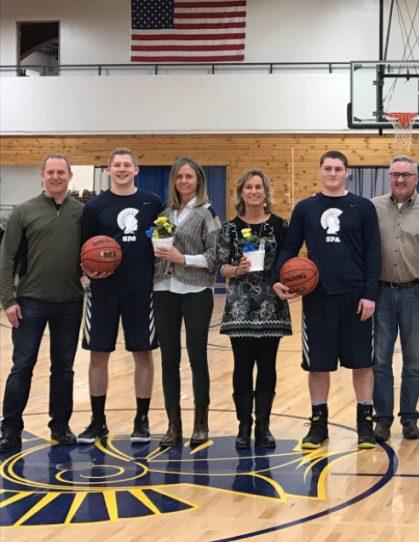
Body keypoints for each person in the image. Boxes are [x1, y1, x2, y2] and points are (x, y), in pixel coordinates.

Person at [273, 150, 380, 449]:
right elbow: (289, 247)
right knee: (318, 366)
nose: (333, 173)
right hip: (318, 299)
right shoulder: (305, 208)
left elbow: (374, 254)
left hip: (356, 298)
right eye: (328, 168)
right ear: (320, 172)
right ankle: (319, 425)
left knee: (362, 364)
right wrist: (277, 279)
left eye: (338, 169)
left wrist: (370, 294)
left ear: (347, 173)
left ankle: (364, 424)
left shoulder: (362, 207)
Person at [78, 148, 164, 444]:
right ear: (109, 169)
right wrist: (90, 271)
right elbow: (84, 250)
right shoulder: (94, 207)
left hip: (141, 290)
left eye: (128, 165)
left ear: (136, 169)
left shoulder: (153, 203)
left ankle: (142, 420)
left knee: (143, 354)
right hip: (103, 291)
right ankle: (97, 420)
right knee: (98, 354)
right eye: (117, 165)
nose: (123, 169)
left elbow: (165, 240)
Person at [0, 154, 84, 453]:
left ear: (70, 176)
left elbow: (91, 255)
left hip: (71, 301)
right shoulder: (24, 211)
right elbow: (6, 258)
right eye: (51, 172)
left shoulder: (80, 212)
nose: (56, 177)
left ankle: (60, 425)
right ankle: (10, 429)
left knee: (64, 369)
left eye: (61, 172)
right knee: (21, 366)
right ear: (42, 175)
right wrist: (8, 299)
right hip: (30, 302)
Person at [217, 169, 291, 449]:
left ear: (265, 192)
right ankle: (243, 425)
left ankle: (263, 425)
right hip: (240, 307)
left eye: (258, 187)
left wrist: (287, 281)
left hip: (272, 305)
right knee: (242, 367)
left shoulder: (280, 226)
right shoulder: (230, 228)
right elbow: (221, 266)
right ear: (241, 193)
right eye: (248, 187)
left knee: (268, 366)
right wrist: (237, 269)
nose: (254, 191)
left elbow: (289, 261)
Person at [371, 156, 419, 442]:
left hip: (417, 293)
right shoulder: (373, 207)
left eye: (406, 175)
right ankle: (383, 419)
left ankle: (409, 417)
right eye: (395, 174)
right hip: (381, 292)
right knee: (380, 360)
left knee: (414, 362)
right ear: (390, 176)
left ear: (417, 178)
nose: (400, 180)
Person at [152, 157, 220, 448]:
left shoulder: (207, 214)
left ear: (198, 181)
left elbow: (215, 257)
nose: (183, 181)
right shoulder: (165, 213)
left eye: (189, 176)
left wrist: (183, 259)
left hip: (195, 291)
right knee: (169, 360)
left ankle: (200, 424)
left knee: (197, 358)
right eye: (179, 176)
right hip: (163, 289)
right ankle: (173, 425)